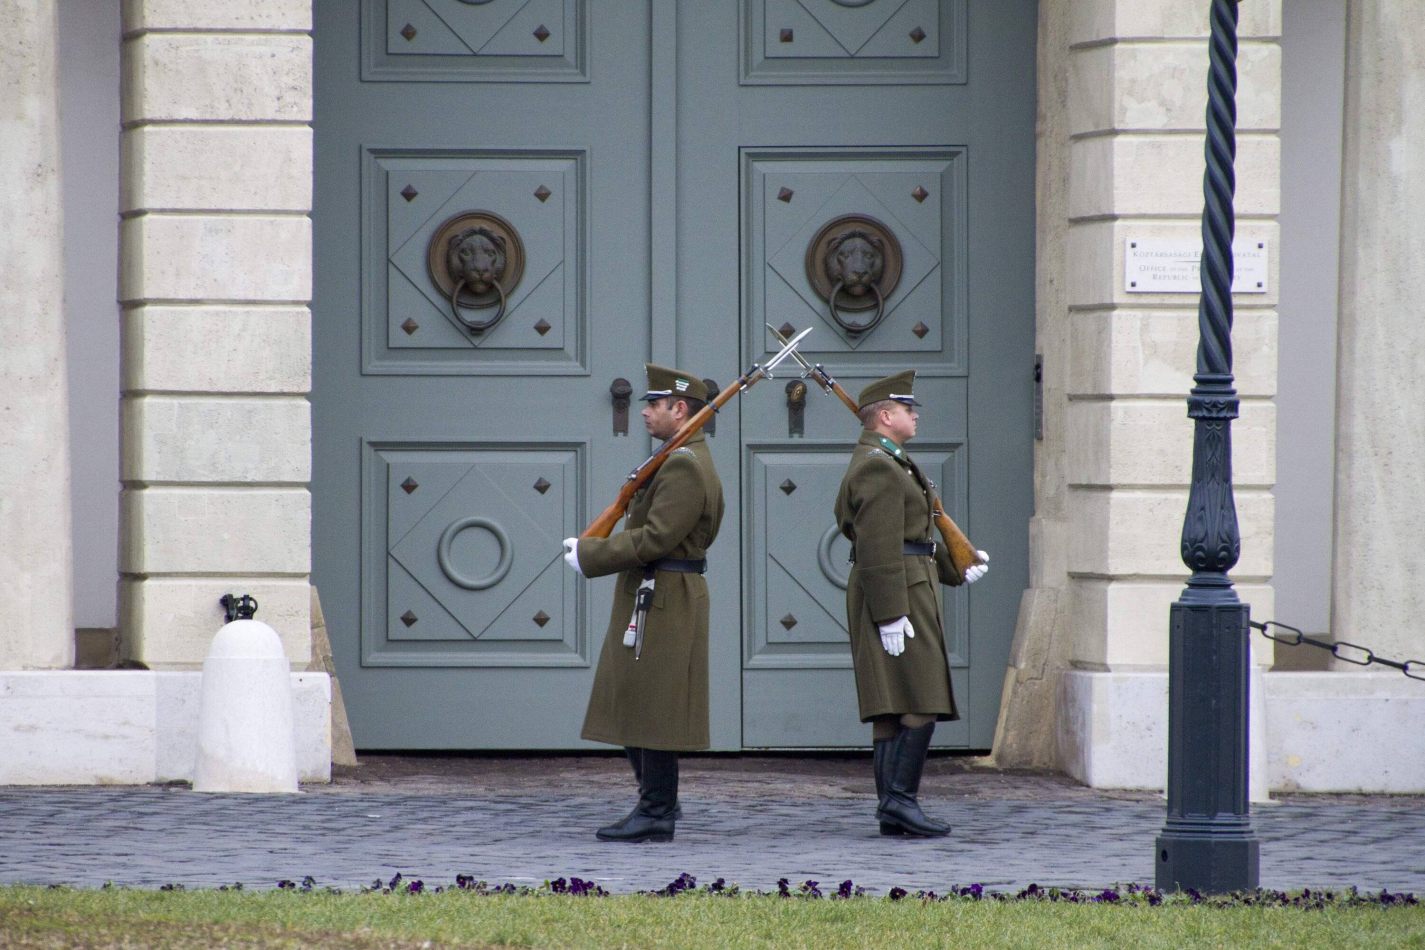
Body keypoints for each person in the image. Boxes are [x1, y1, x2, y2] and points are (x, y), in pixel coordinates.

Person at [561, 364, 724, 843]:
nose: (646, 412)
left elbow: (656, 538)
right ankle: (657, 801)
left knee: (656, 709)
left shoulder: (685, 466)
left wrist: (591, 553)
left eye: (654, 405)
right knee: (639, 700)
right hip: (655, 594)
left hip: (666, 596)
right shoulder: (676, 458)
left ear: (680, 409)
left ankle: (656, 809)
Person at [833, 370, 989, 837]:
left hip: (906, 583)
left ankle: (892, 807)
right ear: (885, 415)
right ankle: (900, 800)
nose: (915, 415)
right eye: (907, 409)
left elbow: (913, 535)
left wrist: (955, 566)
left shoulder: (887, 460)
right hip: (896, 592)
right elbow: (879, 545)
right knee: (920, 696)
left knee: (894, 703)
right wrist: (890, 613)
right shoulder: (878, 466)